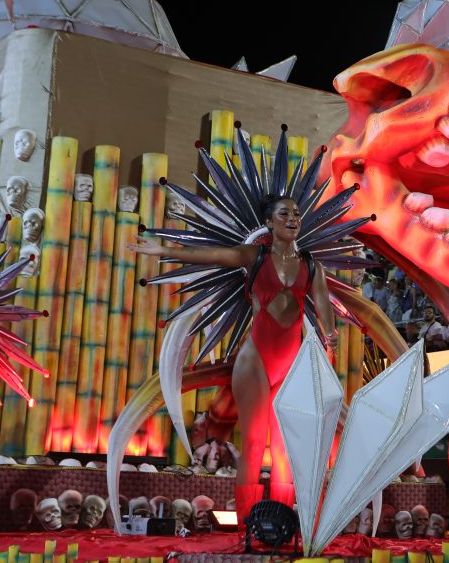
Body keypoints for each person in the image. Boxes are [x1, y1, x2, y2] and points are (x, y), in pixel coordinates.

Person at [129, 195, 336, 522]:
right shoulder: (253, 256)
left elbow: (322, 301)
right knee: (254, 442)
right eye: (284, 213)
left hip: (291, 363)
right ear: (269, 222)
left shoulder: (311, 265)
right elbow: (211, 255)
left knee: (283, 448)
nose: (293, 219)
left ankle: (279, 519)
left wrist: (330, 333)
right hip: (255, 362)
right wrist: (164, 250)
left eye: (297, 213)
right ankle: (247, 522)